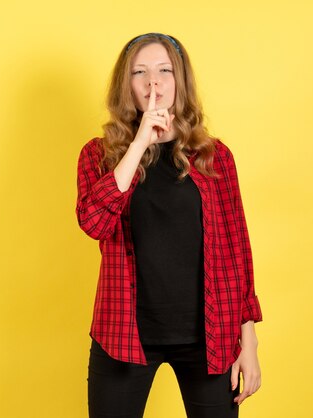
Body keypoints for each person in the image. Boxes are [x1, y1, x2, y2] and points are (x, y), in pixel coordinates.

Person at [75, 33, 263, 418]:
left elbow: (237, 251)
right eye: (139, 72)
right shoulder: (99, 154)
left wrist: (249, 342)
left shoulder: (215, 157)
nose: (153, 83)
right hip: (123, 333)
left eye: (164, 71)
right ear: (125, 84)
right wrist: (140, 141)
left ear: (180, 80)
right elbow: (94, 222)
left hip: (210, 337)